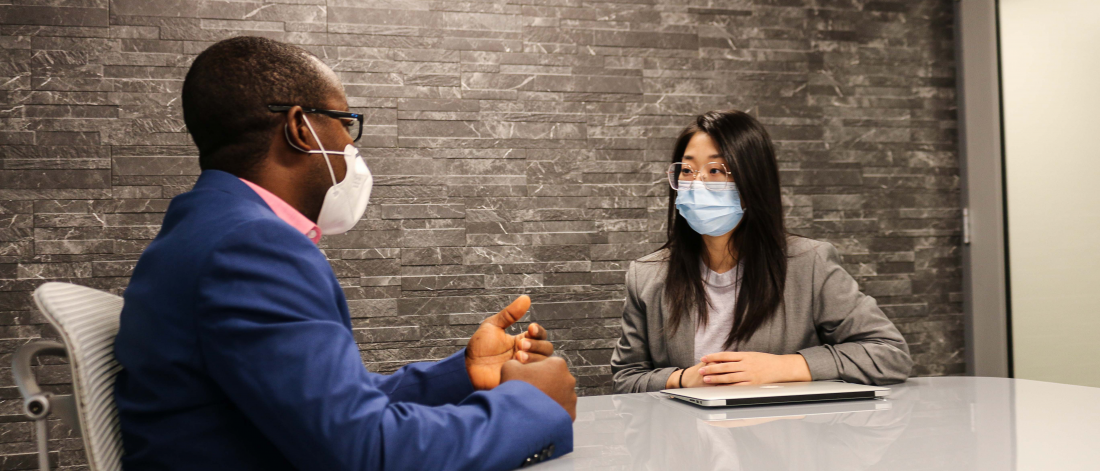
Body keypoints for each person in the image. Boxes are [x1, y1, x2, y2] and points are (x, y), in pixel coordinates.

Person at [113, 36, 575, 471]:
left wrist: (463, 373)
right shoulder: (251, 247)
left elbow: (328, 404)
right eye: (345, 123)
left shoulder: (206, 228)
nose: (351, 145)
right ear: (300, 128)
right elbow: (366, 452)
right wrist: (533, 405)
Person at [610, 110, 912, 393]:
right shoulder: (648, 275)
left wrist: (784, 367)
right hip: (687, 430)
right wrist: (684, 378)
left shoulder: (809, 263)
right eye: (687, 170)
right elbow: (626, 378)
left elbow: (888, 354)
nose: (697, 184)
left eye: (716, 170)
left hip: (783, 430)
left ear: (753, 180)